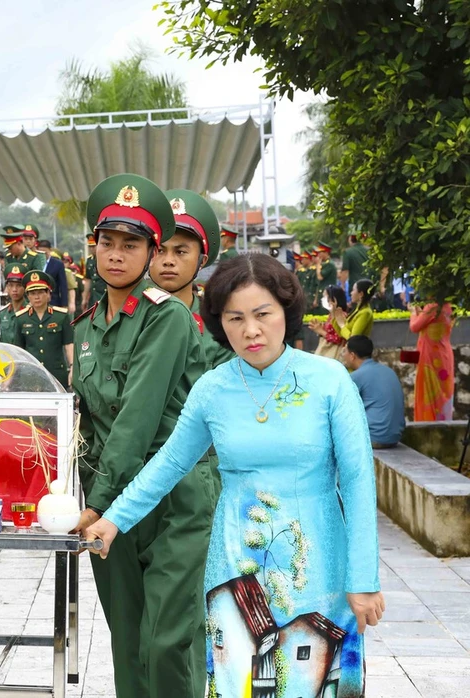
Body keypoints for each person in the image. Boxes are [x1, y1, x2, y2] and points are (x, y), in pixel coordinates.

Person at [85, 254, 384, 698]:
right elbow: (169, 463)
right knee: (240, 681)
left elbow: (358, 480)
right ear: (218, 323)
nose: (251, 330)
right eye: (235, 318)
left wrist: (364, 580)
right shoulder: (213, 388)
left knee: (317, 677)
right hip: (235, 564)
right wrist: (112, 520)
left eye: (263, 314)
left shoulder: (329, 380)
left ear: (287, 313)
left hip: (318, 561)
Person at [71, 174, 211, 698]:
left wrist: (99, 503)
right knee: (126, 640)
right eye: (107, 242)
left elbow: (137, 418)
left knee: (166, 641)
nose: (116, 254)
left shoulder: (167, 317)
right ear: (94, 246)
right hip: (109, 503)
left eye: (131, 245)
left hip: (172, 496)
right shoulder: (85, 326)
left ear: (151, 252)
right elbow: (84, 422)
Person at [152, 189, 234, 369]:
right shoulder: (125, 319)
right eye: (160, 250)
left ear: (201, 261)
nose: (168, 261)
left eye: (181, 252)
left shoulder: (219, 327)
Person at [11, 270, 74, 388]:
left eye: (40, 292)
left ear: (48, 294)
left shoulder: (61, 316)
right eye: (32, 293)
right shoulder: (21, 318)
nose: (36, 297)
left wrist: (72, 367)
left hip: (56, 374)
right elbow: (18, 349)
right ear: (28, 296)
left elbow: (69, 344)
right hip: (31, 374)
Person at [342, 335, 406, 447]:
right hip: (394, 437)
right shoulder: (388, 371)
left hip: (373, 437)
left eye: (344, 351)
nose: (343, 355)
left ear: (352, 356)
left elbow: (341, 409)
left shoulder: (356, 376)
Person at [409, 302, 455, 421]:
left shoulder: (433, 307)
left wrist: (413, 313)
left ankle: (428, 427)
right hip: (444, 355)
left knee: (429, 395)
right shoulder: (448, 306)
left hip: (430, 357)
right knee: (443, 393)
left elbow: (415, 327)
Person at [308, 285, 349, 361]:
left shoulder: (341, 316)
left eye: (325, 297)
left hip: (334, 353)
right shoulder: (331, 315)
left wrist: (321, 331)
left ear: (334, 299)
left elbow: (339, 338)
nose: (322, 299)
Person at [36, 237, 69, 310]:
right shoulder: (35, 263)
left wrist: (65, 304)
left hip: (54, 301)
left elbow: (63, 285)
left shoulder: (58, 264)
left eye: (45, 252)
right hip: (36, 301)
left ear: (50, 250)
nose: (43, 255)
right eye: (40, 252)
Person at [0, 265, 27, 339]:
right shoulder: (3, 313)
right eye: (11, 285)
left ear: (25, 287)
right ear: (7, 287)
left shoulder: (30, 311)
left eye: (19, 285)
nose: (14, 289)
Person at [81, 231, 107, 311]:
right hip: (94, 296)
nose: (92, 249)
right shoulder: (89, 260)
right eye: (90, 246)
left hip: (105, 294)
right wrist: (84, 298)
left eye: (94, 246)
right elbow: (88, 279)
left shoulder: (107, 259)